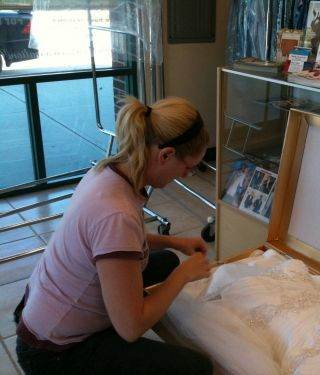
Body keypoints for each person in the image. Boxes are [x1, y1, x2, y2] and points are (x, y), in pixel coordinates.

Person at [14, 96, 213, 374]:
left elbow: (110, 241)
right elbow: (130, 328)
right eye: (188, 167)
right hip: (51, 352)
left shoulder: (108, 170)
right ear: (165, 154)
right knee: (197, 367)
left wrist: (172, 241)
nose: (187, 175)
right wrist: (184, 276)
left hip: (39, 309)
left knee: (167, 259)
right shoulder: (116, 214)